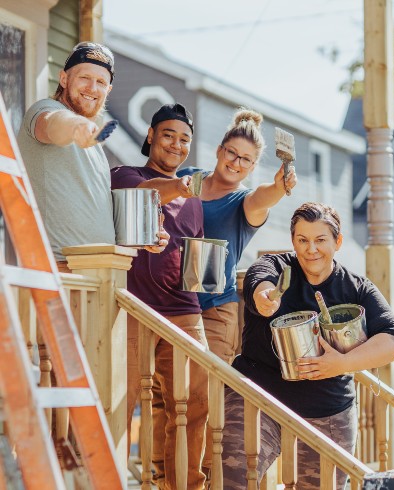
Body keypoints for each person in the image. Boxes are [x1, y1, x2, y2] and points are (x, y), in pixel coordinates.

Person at [221, 202, 394, 490]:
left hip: (328, 410)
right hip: (258, 398)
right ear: (293, 240)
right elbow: (259, 280)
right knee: (230, 481)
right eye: (303, 240)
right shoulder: (275, 266)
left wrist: (343, 364)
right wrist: (265, 297)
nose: (311, 249)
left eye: (320, 240)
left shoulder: (358, 288)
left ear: (338, 242)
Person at [177, 107, 297, 475]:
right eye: (232, 153)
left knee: (200, 398)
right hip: (170, 303)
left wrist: (281, 185)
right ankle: (170, 477)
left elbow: (266, 196)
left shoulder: (243, 202)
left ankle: (198, 479)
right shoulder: (186, 180)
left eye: (246, 160)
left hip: (214, 310)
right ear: (218, 150)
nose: (236, 162)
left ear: (252, 166)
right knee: (171, 398)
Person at [110, 103, 207, 490]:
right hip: (133, 306)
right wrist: (181, 185)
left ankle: (183, 485)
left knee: (194, 404)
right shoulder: (126, 175)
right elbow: (144, 194)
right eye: (168, 134)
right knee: (122, 398)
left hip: (184, 310)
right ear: (150, 136)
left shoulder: (194, 201)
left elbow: (194, 253)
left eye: (185, 139)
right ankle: (109, 478)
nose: (177, 144)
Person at [17, 41, 168, 269]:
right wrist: (76, 126)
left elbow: (93, 214)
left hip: (99, 270)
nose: (92, 88)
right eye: (84, 78)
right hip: (58, 269)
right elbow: (53, 124)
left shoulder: (95, 144)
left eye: (100, 82)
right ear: (64, 79)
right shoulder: (44, 110)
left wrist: (145, 235)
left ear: (108, 90)